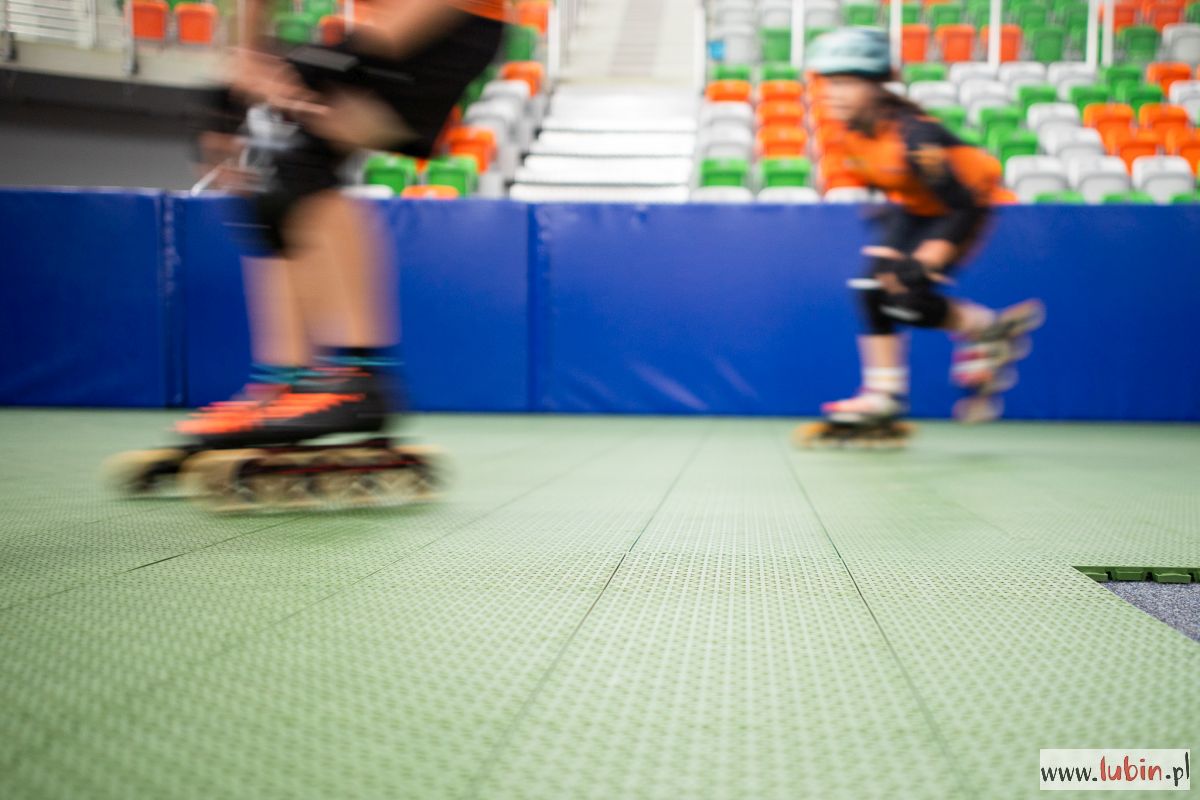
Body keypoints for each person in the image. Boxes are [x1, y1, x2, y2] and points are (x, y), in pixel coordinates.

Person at [179, 0, 507, 446]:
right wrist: (243, 69)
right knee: (270, 180)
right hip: (399, 20)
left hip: (452, 17)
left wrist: (336, 63)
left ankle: (361, 379)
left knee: (302, 156)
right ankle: (283, 383)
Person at [805, 26, 1044, 433]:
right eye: (829, 82)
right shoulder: (851, 135)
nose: (833, 94)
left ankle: (987, 330)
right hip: (917, 206)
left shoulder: (916, 138)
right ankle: (883, 394)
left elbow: (961, 205)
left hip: (963, 204)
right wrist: (890, 234)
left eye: (846, 82)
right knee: (868, 289)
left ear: (877, 86)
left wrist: (928, 256)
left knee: (906, 297)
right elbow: (893, 184)